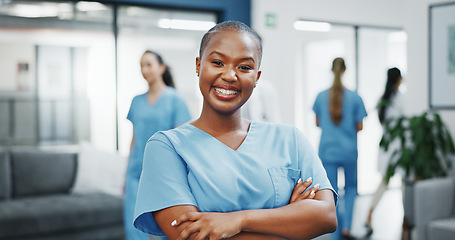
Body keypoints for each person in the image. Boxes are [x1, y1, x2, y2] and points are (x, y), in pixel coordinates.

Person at [133, 21, 337, 240]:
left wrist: (238, 221)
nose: (230, 75)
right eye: (218, 62)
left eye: (244, 67)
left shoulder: (291, 140)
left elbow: (326, 217)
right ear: (198, 65)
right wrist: (290, 223)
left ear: (257, 77)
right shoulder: (167, 147)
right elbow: (190, 236)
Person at [124, 50, 192, 240]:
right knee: (134, 228)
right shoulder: (136, 101)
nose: (144, 70)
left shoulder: (175, 99)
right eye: (141, 65)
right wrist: (125, 173)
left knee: (169, 228)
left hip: (164, 172)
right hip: (136, 172)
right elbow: (134, 138)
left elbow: (182, 140)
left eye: (149, 64)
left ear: (161, 68)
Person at [312, 57, 367, 240]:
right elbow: (359, 126)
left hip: (328, 150)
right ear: (345, 70)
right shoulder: (355, 97)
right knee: (351, 188)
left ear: (331, 70)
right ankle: (347, 228)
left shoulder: (321, 96)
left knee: (331, 191)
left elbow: (318, 122)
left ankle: (335, 231)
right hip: (349, 150)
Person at [365, 67, 404, 235]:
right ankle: (406, 221)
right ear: (399, 79)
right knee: (404, 183)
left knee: (384, 182)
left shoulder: (383, 99)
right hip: (399, 147)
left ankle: (369, 214)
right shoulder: (400, 99)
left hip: (387, 146)